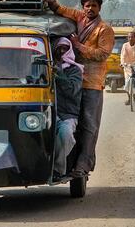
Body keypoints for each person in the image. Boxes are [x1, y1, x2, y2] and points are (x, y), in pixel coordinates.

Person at [39, 0, 114, 178]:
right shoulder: (79, 17)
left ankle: (83, 165)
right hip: (72, 77)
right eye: (87, 6)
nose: (90, 9)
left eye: (93, 6)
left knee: (89, 126)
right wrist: (51, 2)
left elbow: (103, 54)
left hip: (91, 83)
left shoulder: (104, 29)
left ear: (99, 8)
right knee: (66, 121)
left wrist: (78, 45)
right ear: (83, 7)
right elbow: (62, 10)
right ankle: (64, 162)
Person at [53, 37, 83, 179]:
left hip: (68, 115)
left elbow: (72, 91)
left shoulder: (75, 70)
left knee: (65, 134)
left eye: (65, 48)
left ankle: (57, 168)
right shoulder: (48, 67)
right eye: (59, 48)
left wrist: (59, 75)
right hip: (50, 113)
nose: (62, 51)